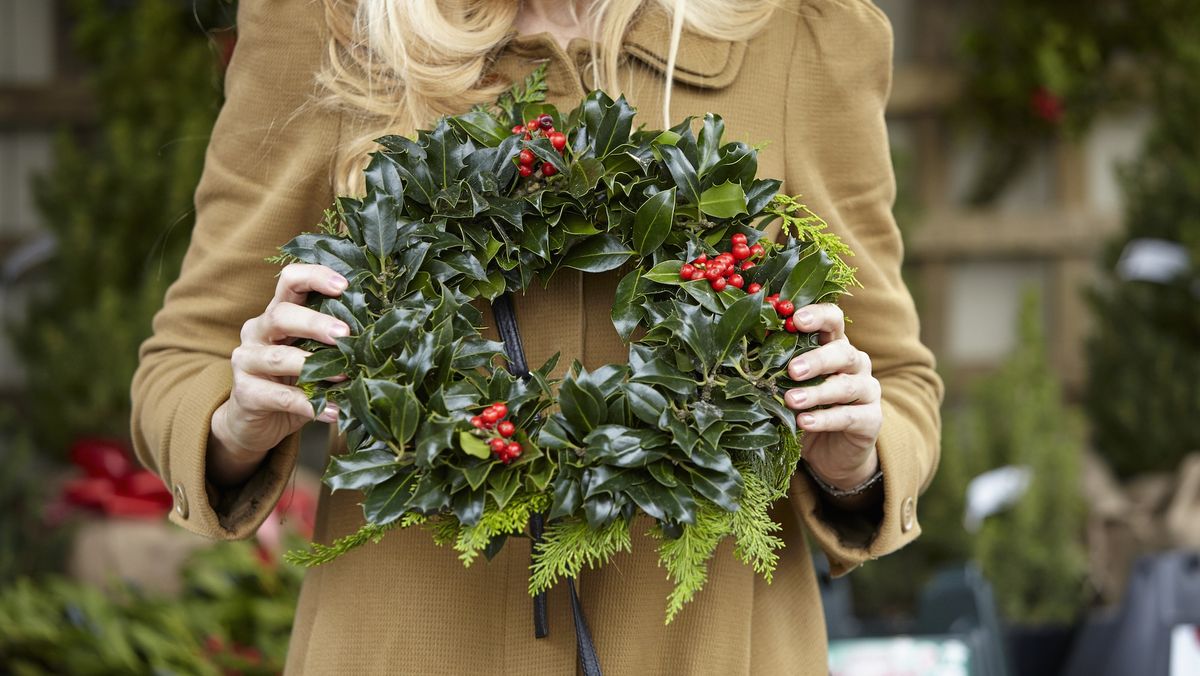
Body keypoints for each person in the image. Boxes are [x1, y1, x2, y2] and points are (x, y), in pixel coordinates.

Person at [131, 0, 942, 673]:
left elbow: (897, 376)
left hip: (709, 643)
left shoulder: (798, 33)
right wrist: (235, 423)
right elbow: (186, 358)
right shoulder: (332, 26)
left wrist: (855, 461)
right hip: (413, 640)